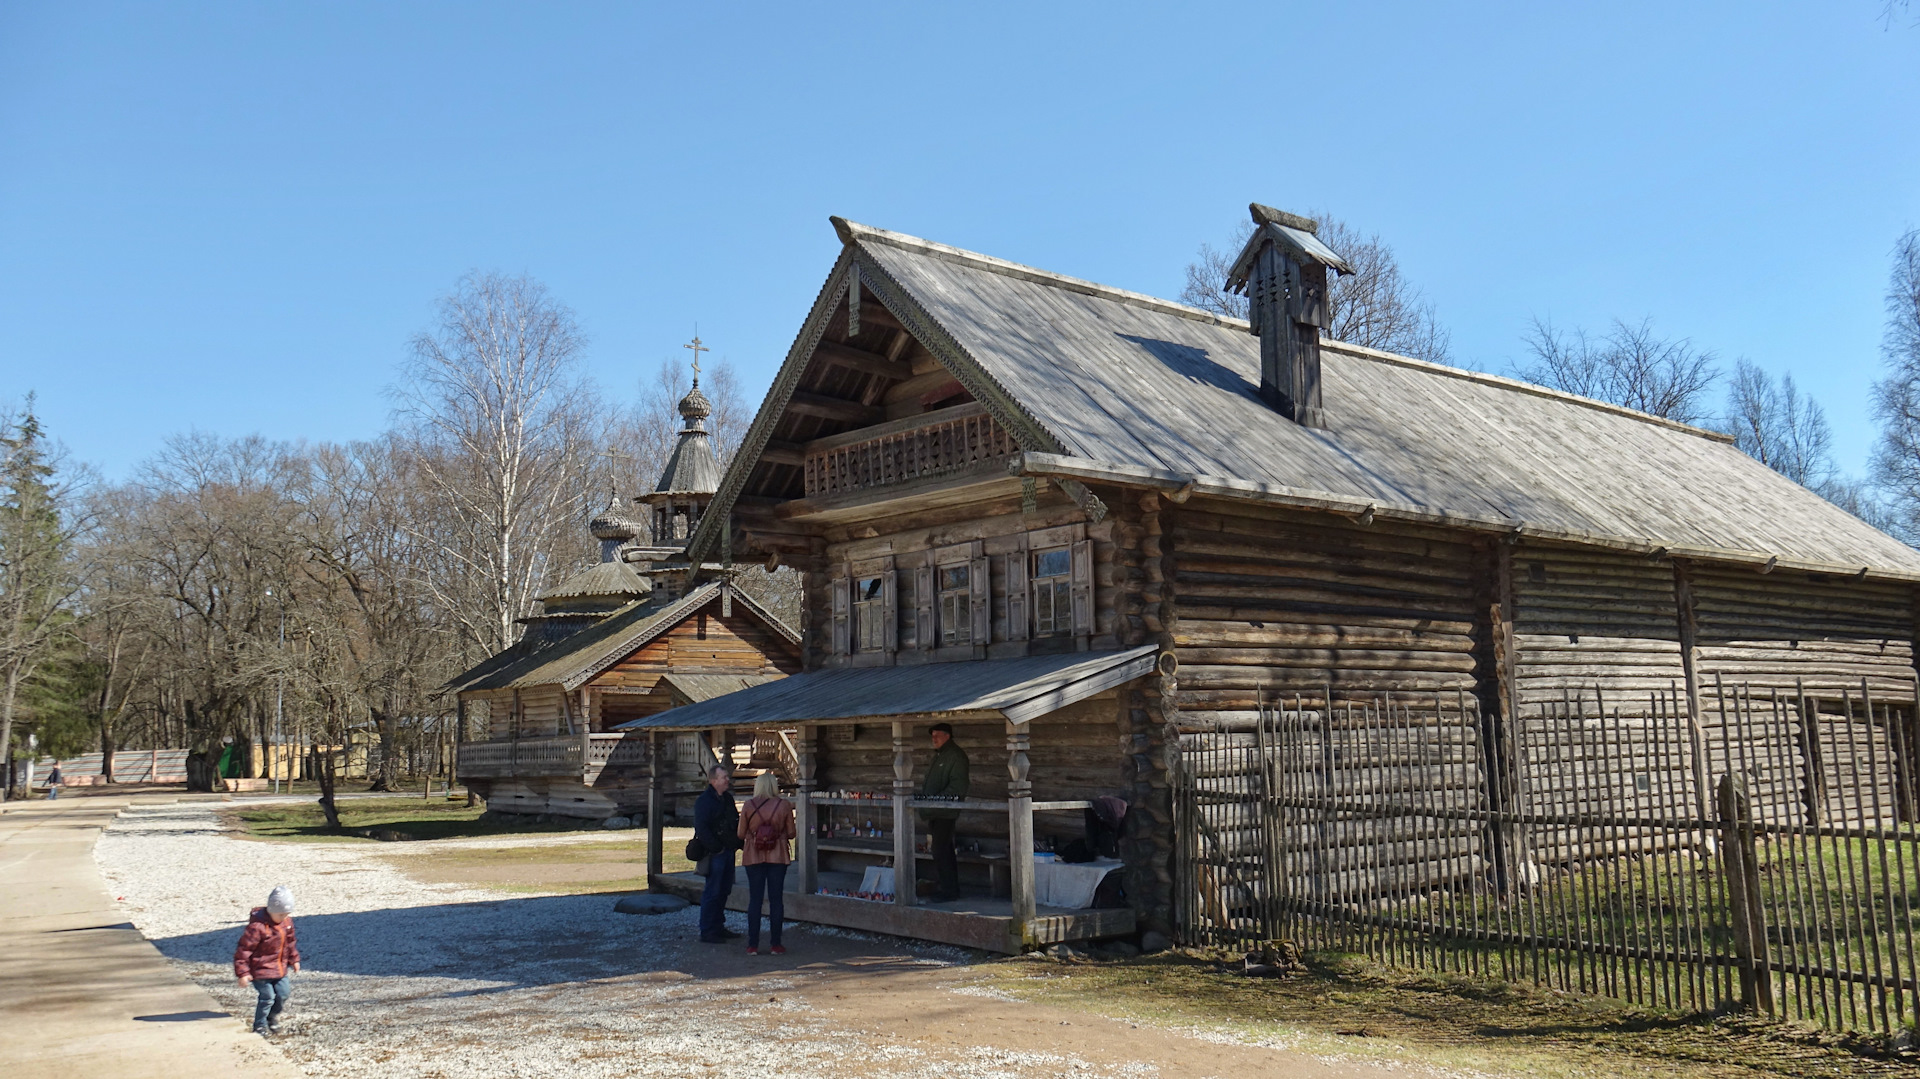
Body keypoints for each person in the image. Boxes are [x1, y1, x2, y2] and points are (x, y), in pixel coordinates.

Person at [735, 771, 796, 955]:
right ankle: (775, 944)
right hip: (777, 856)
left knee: (755, 900)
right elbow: (792, 833)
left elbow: (740, 833)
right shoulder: (784, 805)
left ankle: (752, 944)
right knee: (776, 900)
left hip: (754, 856)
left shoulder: (748, 805)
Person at [234, 885, 301, 1036]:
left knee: (283, 994)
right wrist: (243, 973)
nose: (284, 917)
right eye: (281, 914)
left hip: (279, 968)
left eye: (286, 914)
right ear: (271, 910)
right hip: (260, 970)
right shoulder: (257, 928)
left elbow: (290, 943)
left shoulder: (287, 923)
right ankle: (259, 1025)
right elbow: (243, 950)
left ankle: (272, 1017)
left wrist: (294, 959)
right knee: (267, 997)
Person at [918, 722, 970, 902]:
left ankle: (949, 891)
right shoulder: (940, 756)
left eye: (937, 735)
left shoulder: (955, 756)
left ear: (947, 735)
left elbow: (957, 786)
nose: (934, 739)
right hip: (935, 810)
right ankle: (948, 888)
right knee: (943, 850)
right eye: (932, 735)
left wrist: (936, 801)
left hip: (945, 811)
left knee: (941, 850)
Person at [693, 763, 740, 943]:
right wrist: (716, 848)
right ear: (714, 781)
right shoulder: (704, 802)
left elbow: (734, 821)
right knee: (712, 891)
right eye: (724, 777)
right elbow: (702, 829)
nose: (727, 780)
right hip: (715, 854)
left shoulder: (727, 799)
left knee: (724, 890)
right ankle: (707, 930)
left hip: (727, 850)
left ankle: (718, 927)